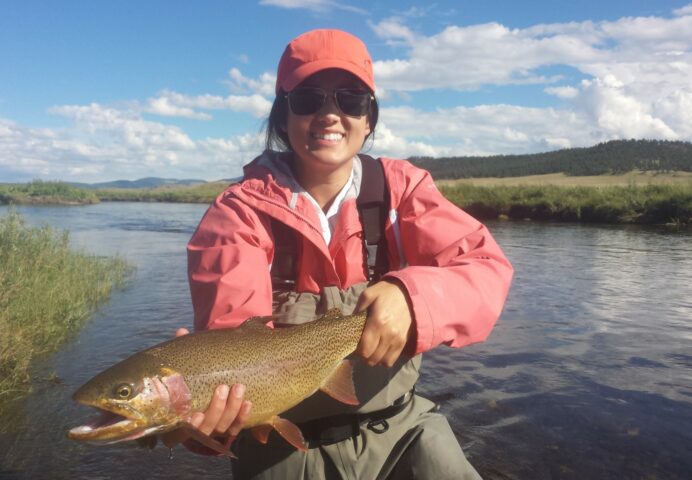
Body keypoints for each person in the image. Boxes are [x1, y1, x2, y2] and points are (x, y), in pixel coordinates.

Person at [177, 29, 513, 479]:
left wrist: (413, 299)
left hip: (403, 432)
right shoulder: (238, 214)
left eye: (351, 99)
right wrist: (211, 425)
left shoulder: (403, 191)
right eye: (309, 98)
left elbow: (486, 267)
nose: (330, 114)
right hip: (282, 444)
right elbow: (233, 340)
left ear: (369, 119)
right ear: (283, 117)